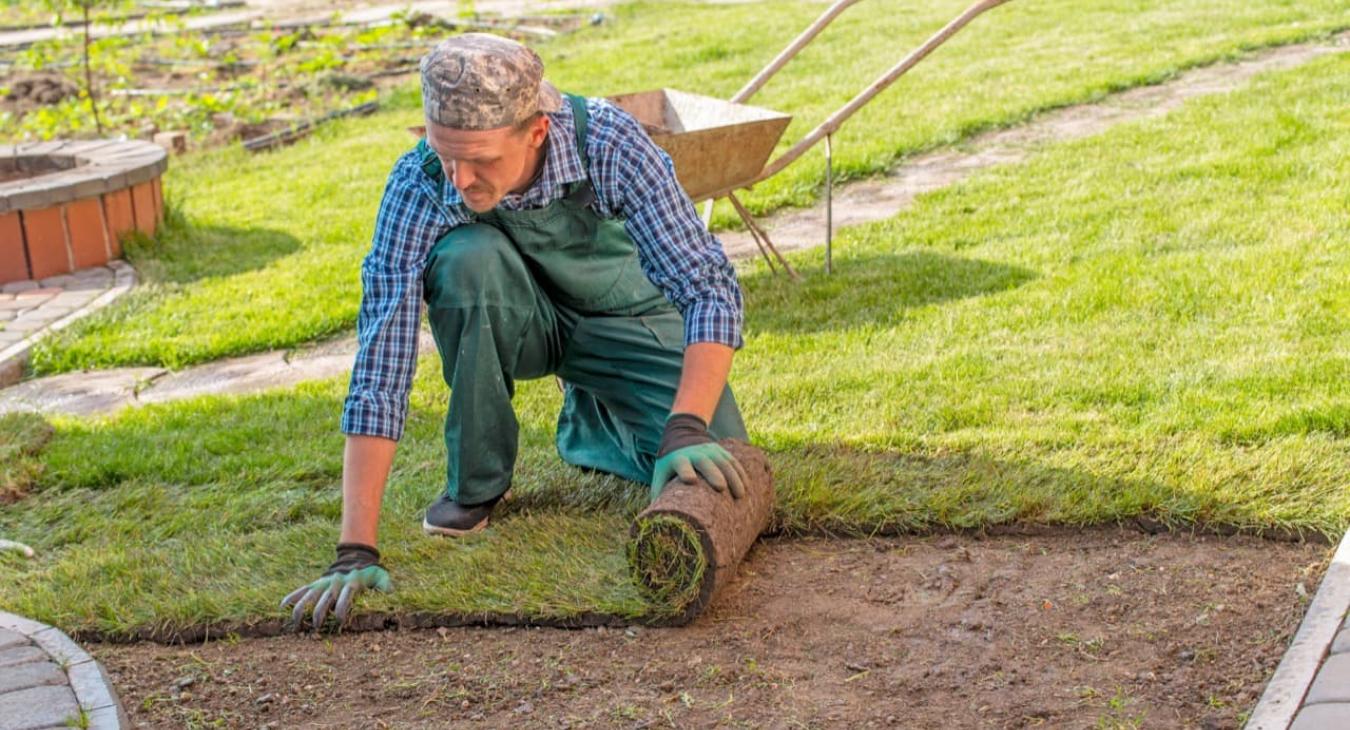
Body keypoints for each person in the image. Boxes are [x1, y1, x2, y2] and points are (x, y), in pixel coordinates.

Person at [282, 33, 752, 629]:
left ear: (537, 130)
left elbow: (707, 285)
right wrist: (355, 549)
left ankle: (594, 417)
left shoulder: (607, 142)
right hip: (514, 318)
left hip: (626, 319)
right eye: (447, 155)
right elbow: (382, 362)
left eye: (480, 160)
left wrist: (685, 427)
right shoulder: (418, 184)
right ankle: (476, 486)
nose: (459, 179)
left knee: (718, 465)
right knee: (467, 258)